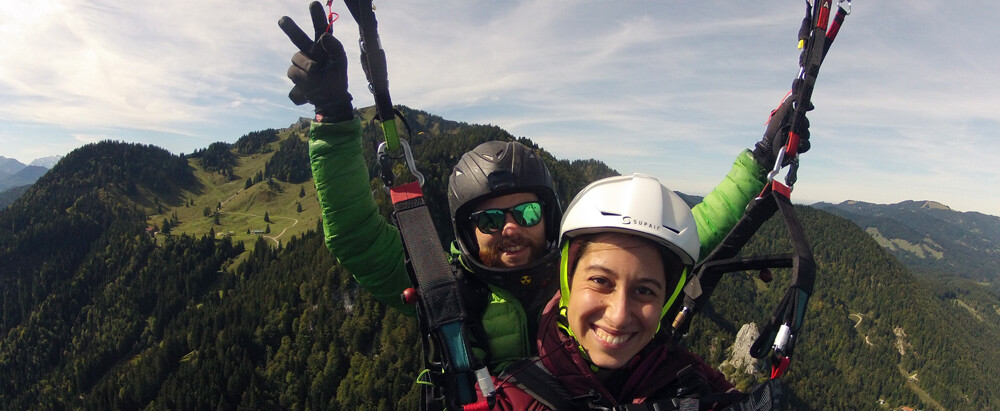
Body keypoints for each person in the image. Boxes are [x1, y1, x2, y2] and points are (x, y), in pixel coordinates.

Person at [279, 2, 806, 374]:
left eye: (526, 214)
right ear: (464, 234)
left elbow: (691, 229)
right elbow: (352, 234)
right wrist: (333, 117)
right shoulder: (448, 292)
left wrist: (760, 158)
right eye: (489, 220)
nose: (510, 229)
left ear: (550, 219)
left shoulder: (583, 275)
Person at [483, 174, 742, 410]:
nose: (618, 316)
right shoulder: (512, 397)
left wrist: (759, 162)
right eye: (600, 281)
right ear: (568, 281)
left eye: (644, 290)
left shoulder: (694, 384)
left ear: (667, 299)